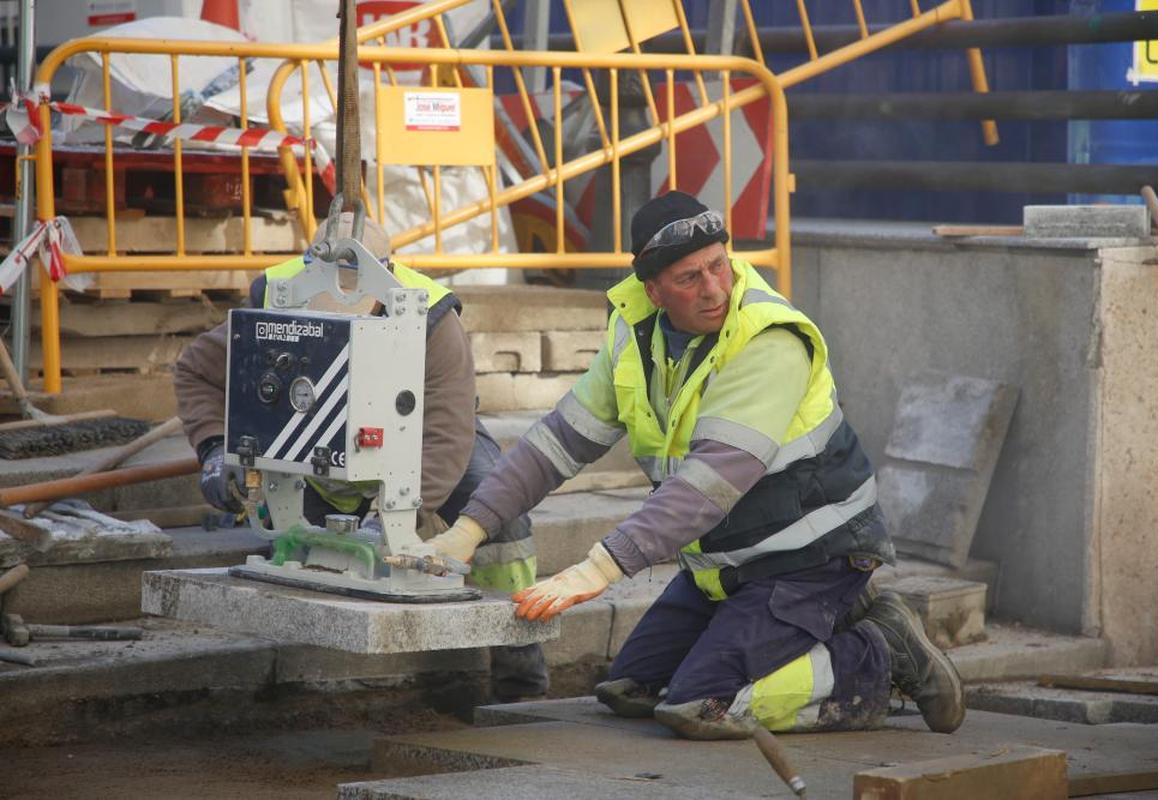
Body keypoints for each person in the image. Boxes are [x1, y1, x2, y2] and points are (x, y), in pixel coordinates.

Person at [426, 191, 966, 739]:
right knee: (628, 690)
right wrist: (469, 530)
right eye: (689, 279)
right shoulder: (634, 337)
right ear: (652, 291)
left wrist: (599, 568)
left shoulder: (768, 339)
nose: (713, 289)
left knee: (701, 706)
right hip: (727, 567)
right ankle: (831, 623)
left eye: (718, 266)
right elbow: (555, 445)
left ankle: (880, 650)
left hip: (812, 559)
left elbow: (710, 485)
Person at [174, 212, 547, 703]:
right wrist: (216, 450)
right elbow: (196, 372)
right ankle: (293, 691)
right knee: (304, 553)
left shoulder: (430, 318)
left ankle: (520, 683)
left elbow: (445, 433)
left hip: (415, 437)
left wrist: (395, 517)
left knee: (496, 505)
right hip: (311, 444)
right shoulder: (275, 298)